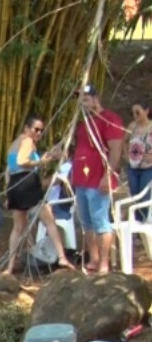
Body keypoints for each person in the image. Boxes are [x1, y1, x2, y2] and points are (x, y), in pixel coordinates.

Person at [4, 115, 74, 274]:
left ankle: (10, 266)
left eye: (41, 130)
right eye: (35, 129)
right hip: (27, 184)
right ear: (26, 128)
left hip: (14, 184)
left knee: (17, 227)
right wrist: (42, 162)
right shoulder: (27, 141)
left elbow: (9, 170)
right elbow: (22, 161)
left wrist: (9, 192)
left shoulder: (14, 144)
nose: (38, 133)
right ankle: (62, 257)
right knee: (49, 220)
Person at [71, 84, 124, 273]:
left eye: (85, 99)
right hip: (81, 180)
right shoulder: (83, 123)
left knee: (100, 221)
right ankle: (93, 258)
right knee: (86, 222)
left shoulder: (110, 119)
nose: (82, 103)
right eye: (80, 100)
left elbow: (116, 150)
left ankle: (104, 262)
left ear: (96, 98)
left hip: (97, 180)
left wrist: (107, 176)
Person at [126, 100, 152, 220]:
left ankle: (145, 222)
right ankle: (137, 223)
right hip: (132, 167)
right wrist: (126, 155)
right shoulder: (132, 126)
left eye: (137, 112)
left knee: (144, 196)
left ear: (146, 111)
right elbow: (124, 141)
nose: (135, 116)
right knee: (134, 197)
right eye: (133, 113)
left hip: (148, 168)